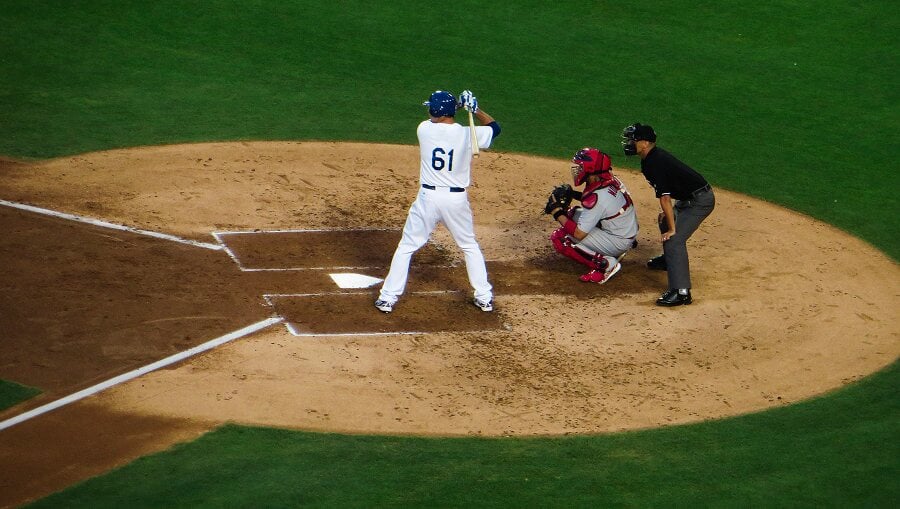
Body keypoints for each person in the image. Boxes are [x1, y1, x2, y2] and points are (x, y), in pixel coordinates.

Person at [375, 90, 501, 313]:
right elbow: (495, 129)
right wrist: (475, 109)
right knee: (469, 245)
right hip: (456, 200)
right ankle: (484, 297)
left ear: (436, 111)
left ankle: (387, 298)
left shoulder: (424, 129)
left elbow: (442, 118)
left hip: (428, 198)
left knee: (406, 246)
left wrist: (460, 107)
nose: (429, 111)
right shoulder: (467, 134)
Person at [622, 123, 715, 306]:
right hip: (688, 198)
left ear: (645, 143)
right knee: (665, 219)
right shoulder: (649, 158)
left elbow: (664, 198)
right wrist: (670, 218)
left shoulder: (655, 162)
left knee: (674, 238)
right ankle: (669, 261)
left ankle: (681, 292)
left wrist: (673, 229)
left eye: (634, 140)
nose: (630, 143)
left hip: (700, 201)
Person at [544, 148, 638, 284]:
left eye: (580, 166)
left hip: (618, 241)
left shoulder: (599, 196)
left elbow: (579, 234)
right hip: (625, 230)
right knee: (571, 214)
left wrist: (557, 212)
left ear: (590, 168)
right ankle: (609, 251)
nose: (577, 169)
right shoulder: (609, 180)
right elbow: (602, 204)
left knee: (561, 238)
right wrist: (573, 195)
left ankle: (605, 265)